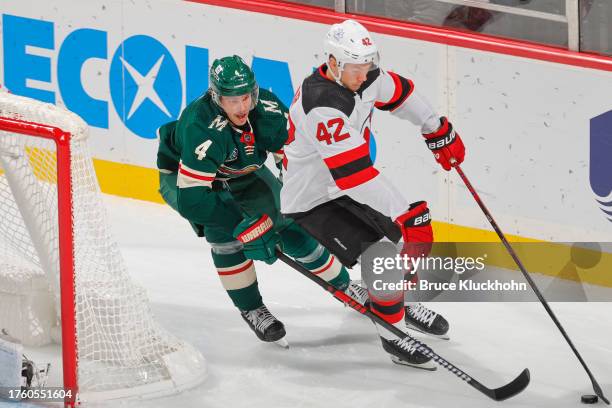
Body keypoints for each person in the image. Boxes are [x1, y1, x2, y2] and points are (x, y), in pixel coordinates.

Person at [280, 19, 466, 368]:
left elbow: (400, 92)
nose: (364, 75)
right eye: (355, 67)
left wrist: (435, 127)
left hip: (346, 186)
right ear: (334, 63)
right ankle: (395, 340)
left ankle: (399, 307)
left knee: (398, 247)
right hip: (315, 199)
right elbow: (354, 175)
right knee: (381, 258)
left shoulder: (360, 74)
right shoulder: (322, 104)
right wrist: (404, 212)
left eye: (368, 64)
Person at [156, 55, 359, 347]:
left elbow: (292, 159)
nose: (242, 107)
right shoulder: (201, 127)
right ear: (217, 97)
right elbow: (193, 202)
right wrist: (242, 226)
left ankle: (345, 287)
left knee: (288, 224)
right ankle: (251, 307)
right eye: (232, 100)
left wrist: (299, 195)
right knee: (226, 237)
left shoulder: (268, 108)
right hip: (188, 182)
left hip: (243, 171)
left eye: (246, 97)